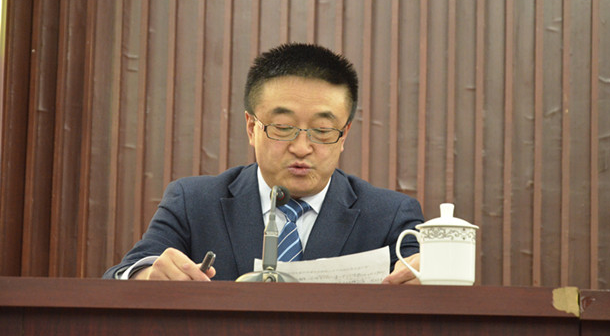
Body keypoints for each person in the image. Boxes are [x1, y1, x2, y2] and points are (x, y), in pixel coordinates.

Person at [103, 43, 423, 284]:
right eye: (282, 127)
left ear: (344, 134)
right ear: (251, 127)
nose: (301, 148)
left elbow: (423, 275)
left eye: (323, 130)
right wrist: (147, 275)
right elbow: (124, 273)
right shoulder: (193, 202)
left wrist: (431, 275)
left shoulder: (389, 215)